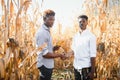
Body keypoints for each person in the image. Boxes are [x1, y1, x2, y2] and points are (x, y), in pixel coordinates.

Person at [35, 9, 66, 80]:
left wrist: (54, 48)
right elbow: (45, 54)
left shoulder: (47, 31)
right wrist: (60, 55)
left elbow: (45, 48)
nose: (52, 22)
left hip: (48, 65)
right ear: (44, 19)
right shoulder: (42, 33)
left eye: (53, 20)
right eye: (50, 20)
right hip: (45, 65)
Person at [68, 15, 97, 80]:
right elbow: (73, 50)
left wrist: (92, 72)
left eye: (83, 21)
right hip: (76, 67)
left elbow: (93, 55)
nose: (82, 23)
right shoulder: (76, 36)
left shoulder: (91, 36)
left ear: (87, 23)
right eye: (80, 22)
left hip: (86, 67)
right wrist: (65, 55)